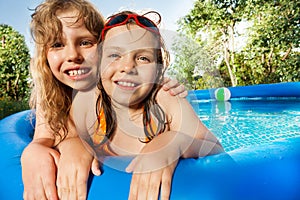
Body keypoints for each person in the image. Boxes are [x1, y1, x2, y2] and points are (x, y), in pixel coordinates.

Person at [20, 1, 187, 200]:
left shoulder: (124, 91)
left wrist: (170, 139)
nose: (73, 55)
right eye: (57, 44)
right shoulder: (51, 96)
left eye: (85, 42)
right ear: (44, 57)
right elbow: (43, 138)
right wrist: (35, 152)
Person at [72, 10, 224, 200]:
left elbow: (215, 148)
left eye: (143, 58)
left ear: (158, 70)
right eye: (114, 55)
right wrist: (72, 145)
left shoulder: (166, 99)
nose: (127, 67)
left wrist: (174, 141)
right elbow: (60, 133)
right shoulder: (89, 102)